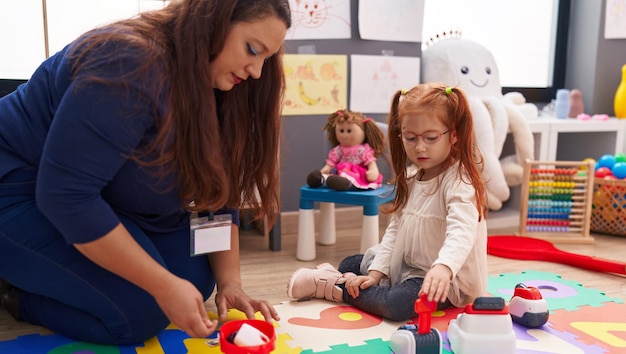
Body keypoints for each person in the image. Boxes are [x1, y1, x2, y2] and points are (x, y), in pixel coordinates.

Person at [0, 0, 290, 345]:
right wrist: (162, 285)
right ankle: (13, 293)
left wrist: (230, 283)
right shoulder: (128, 63)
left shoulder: (215, 81)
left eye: (266, 58)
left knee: (195, 277)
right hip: (18, 185)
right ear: (212, 22)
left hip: (88, 189)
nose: (256, 70)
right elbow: (67, 196)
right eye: (252, 50)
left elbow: (218, 190)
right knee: (142, 311)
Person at [287, 83, 488, 321]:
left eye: (431, 138)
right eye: (410, 138)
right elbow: (395, 230)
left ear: (453, 135)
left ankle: (334, 287)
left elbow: (461, 232)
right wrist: (375, 274)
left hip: (444, 279)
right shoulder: (413, 177)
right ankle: (347, 279)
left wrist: (443, 267)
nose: (420, 147)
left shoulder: (458, 181)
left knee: (395, 304)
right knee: (350, 263)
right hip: (406, 266)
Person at [306, 109, 386, 191]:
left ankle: (345, 183)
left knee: (347, 178)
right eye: (341, 131)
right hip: (339, 173)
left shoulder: (363, 150)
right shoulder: (338, 150)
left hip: (357, 174)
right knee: (332, 177)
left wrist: (373, 171)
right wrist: (326, 168)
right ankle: (320, 180)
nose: (344, 135)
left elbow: (371, 163)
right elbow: (332, 162)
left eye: (349, 131)